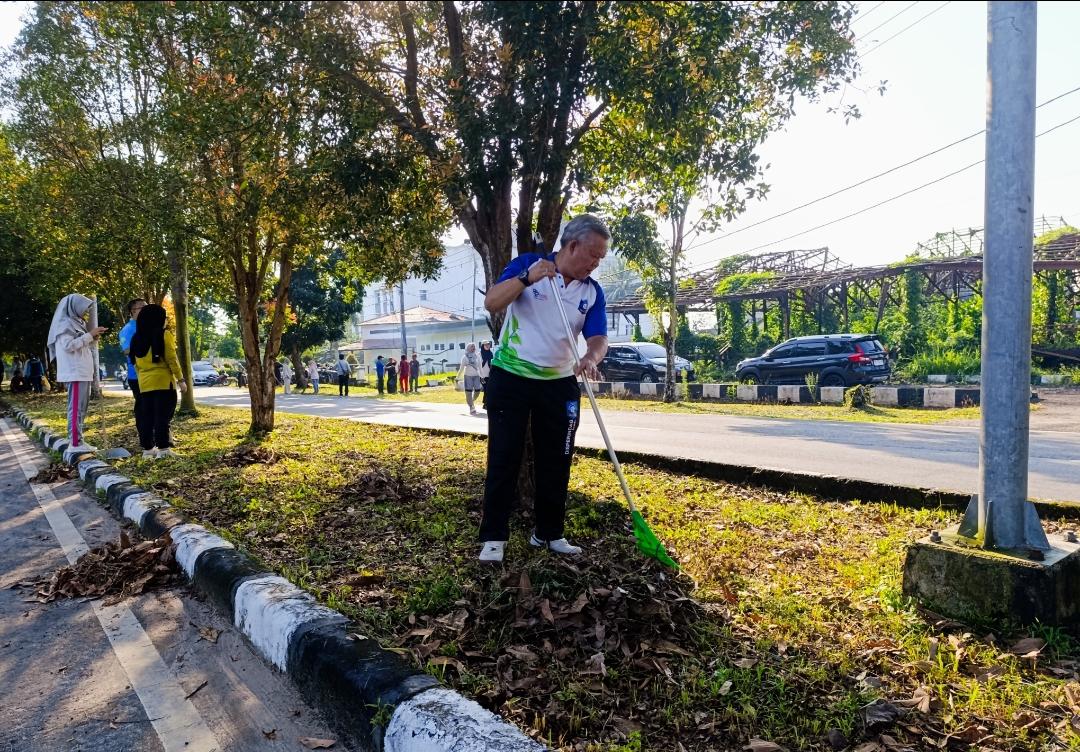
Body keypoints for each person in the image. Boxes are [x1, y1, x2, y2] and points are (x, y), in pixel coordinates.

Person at [478, 214, 610, 563]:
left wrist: (591, 357)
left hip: (559, 384)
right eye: (593, 255)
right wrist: (526, 278)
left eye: (601, 259)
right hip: (511, 379)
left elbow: (598, 337)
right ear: (572, 246)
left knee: (558, 460)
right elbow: (493, 302)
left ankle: (549, 534)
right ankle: (494, 538)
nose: (596, 264)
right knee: (504, 456)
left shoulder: (591, 291)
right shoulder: (528, 265)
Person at [47, 294, 107, 452]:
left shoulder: (77, 323)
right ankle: (74, 443)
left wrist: (92, 337)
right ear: (74, 307)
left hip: (83, 371)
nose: (86, 313)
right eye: (84, 309)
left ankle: (79, 440)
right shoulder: (64, 324)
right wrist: (89, 335)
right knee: (75, 408)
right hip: (74, 372)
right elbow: (68, 346)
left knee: (82, 408)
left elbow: (81, 343)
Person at [130, 304, 186, 459]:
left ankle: (147, 450)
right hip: (163, 382)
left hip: (144, 384)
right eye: (164, 317)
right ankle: (163, 449)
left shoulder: (136, 338)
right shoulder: (164, 334)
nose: (166, 320)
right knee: (163, 417)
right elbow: (172, 360)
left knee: (147, 416)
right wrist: (181, 379)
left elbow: (134, 363)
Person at [118, 298, 148, 436]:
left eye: (146, 306)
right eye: (141, 308)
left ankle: (160, 437)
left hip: (151, 374)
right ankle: (145, 439)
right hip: (136, 375)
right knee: (143, 408)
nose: (144, 310)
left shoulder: (149, 326)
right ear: (132, 312)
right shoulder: (128, 329)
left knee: (155, 407)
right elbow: (126, 350)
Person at [457, 343, 484, 415]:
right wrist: (457, 377)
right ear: (468, 348)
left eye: (474, 347)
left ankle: (471, 401)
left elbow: (480, 368)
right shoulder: (465, 357)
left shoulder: (477, 356)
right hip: (468, 376)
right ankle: (471, 407)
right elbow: (461, 368)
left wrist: (482, 376)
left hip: (476, 376)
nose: (473, 348)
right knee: (468, 393)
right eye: (472, 347)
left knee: (478, 391)